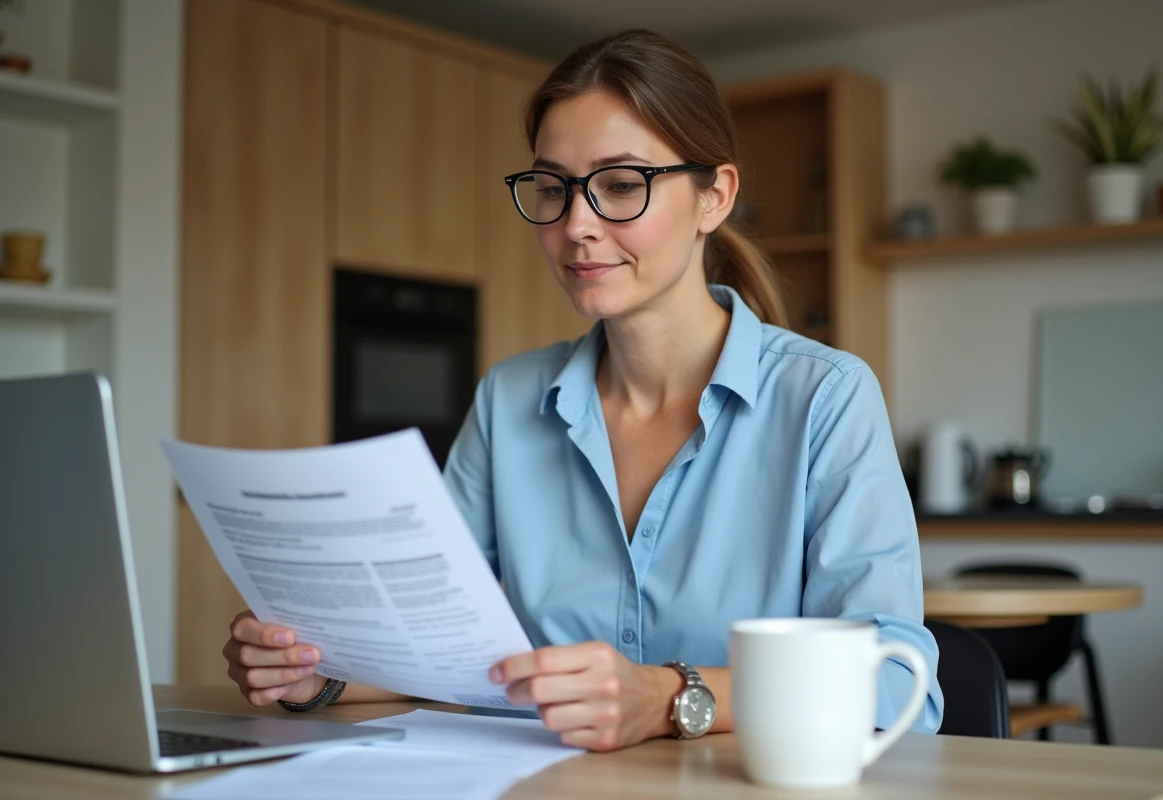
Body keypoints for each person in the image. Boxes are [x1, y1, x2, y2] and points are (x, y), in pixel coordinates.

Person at [222, 28, 944, 751]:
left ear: (714, 197)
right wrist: (316, 674)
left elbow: (892, 680)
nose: (576, 226)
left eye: (621, 185)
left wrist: (668, 697)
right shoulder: (508, 401)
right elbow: (436, 646)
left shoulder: (825, 399)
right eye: (552, 188)